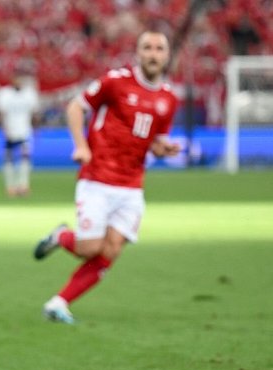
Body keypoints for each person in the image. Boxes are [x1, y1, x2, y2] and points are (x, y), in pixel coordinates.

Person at [33, 31, 181, 324]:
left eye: (159, 49)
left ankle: (58, 303)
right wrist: (81, 145)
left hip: (132, 186)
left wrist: (163, 149)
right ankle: (61, 235)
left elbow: (152, 138)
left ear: (167, 55)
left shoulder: (168, 99)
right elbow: (76, 107)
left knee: (110, 250)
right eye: (147, 48)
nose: (153, 54)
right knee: (89, 247)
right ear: (138, 53)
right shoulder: (115, 82)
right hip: (98, 178)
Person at [0, 74, 39, 197]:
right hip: (10, 132)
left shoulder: (30, 94)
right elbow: (1, 114)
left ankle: (23, 185)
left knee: (25, 159)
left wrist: (35, 129)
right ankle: (10, 186)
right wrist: (4, 129)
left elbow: (34, 113)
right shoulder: (4, 94)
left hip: (25, 131)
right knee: (9, 160)